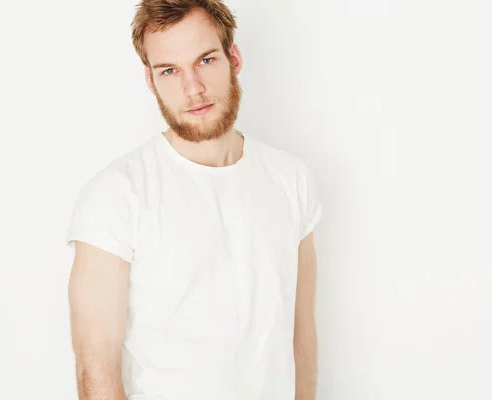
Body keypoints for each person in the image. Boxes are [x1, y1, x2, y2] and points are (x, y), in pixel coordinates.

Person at [66, 1, 322, 399]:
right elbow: (95, 368)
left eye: (205, 60)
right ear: (151, 81)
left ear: (233, 57)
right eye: (169, 70)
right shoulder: (117, 194)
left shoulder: (292, 179)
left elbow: (301, 333)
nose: (193, 88)